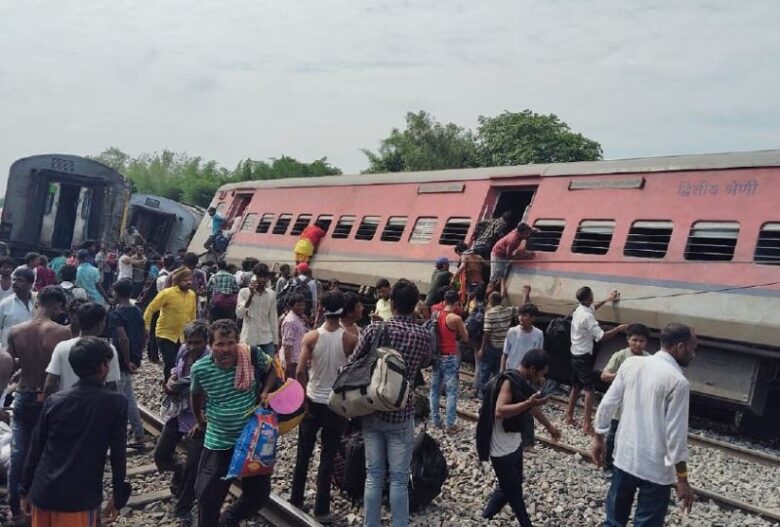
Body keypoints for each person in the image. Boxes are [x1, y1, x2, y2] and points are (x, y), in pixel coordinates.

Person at [593, 323, 697, 526]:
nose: (694, 354)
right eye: (693, 348)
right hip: (656, 469)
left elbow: (607, 403)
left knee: (613, 521)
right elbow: (676, 436)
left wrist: (598, 438)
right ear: (680, 347)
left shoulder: (631, 364)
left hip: (625, 458)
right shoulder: (678, 381)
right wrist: (682, 479)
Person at [20, 337, 130, 527]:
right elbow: (118, 456)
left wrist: (24, 490)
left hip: (43, 492)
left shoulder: (55, 401)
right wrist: (118, 497)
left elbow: (36, 448)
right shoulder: (116, 403)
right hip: (78, 498)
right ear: (103, 366)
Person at [350, 279, 433, 527]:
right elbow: (426, 362)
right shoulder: (423, 335)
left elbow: (354, 361)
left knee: (374, 475)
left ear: (392, 304)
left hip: (373, 409)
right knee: (398, 478)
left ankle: (371, 524)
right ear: (414, 306)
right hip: (402, 411)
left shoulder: (376, 330)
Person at [191, 319, 277, 527]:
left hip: (251, 440)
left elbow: (273, 367)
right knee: (207, 496)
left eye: (231, 343)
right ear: (211, 346)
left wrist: (265, 391)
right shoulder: (200, 369)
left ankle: (228, 520)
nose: (226, 349)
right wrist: (199, 419)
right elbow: (195, 396)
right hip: (220, 440)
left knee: (259, 494)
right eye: (220, 344)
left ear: (237, 342)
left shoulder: (249, 355)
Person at [5, 286, 72, 523]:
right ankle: (41, 505)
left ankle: (15, 509)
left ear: (37, 302)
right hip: (49, 397)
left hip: (24, 394)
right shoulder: (63, 333)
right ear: (56, 305)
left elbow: (12, 361)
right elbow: (61, 368)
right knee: (47, 452)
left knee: (19, 452)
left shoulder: (16, 331)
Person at [291, 291, 358, 524]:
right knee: (328, 456)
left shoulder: (311, 337)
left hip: (312, 402)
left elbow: (299, 371)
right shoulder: (350, 339)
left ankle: (296, 499)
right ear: (342, 310)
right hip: (335, 405)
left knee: (303, 452)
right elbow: (353, 370)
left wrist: (304, 397)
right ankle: (321, 509)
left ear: (322, 307)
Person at [480, 349, 561, 526]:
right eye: (541, 373)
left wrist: (549, 427)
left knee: (508, 485)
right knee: (514, 492)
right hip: (499, 447)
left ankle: (485, 517)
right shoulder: (509, 382)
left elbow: (532, 407)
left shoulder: (521, 381)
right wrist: (527, 403)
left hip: (514, 443)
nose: (542, 378)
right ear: (533, 369)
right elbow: (499, 411)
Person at [154, 320, 210, 527]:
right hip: (179, 413)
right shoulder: (183, 351)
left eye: (198, 342)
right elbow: (176, 371)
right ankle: (178, 471)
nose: (192, 346)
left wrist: (174, 385)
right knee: (160, 455)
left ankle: (184, 507)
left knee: (193, 466)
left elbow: (199, 383)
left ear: (206, 341)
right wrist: (172, 378)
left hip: (199, 417)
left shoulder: (210, 360)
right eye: (189, 342)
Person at [566, 287, 628, 435]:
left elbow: (593, 307)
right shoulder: (587, 317)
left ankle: (568, 417)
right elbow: (601, 336)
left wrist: (608, 299)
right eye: (592, 295)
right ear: (588, 298)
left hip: (574, 352)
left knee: (576, 387)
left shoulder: (579, 309)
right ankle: (587, 425)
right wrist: (619, 329)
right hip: (583, 357)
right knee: (589, 390)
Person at [599, 323, 651, 471]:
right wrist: (621, 375)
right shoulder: (620, 355)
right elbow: (604, 375)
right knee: (612, 437)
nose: (638, 344)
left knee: (634, 438)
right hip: (619, 407)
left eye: (641, 341)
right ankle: (607, 465)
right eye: (635, 340)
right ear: (628, 339)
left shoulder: (649, 359)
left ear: (646, 342)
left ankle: (627, 466)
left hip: (639, 406)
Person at [45, 303, 121, 396]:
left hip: (67, 405)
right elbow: (112, 385)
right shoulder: (107, 349)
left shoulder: (62, 347)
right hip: (97, 407)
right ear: (101, 323)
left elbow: (50, 385)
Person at [106, 279, 147, 447]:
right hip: (133, 355)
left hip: (123, 359)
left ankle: (138, 434)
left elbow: (122, 338)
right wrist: (139, 353)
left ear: (116, 293)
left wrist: (127, 359)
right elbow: (145, 333)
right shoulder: (137, 310)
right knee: (123, 392)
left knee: (126, 396)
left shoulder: (117, 313)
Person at [144, 269, 197, 383]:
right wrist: (146, 326)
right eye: (185, 280)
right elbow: (151, 308)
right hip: (165, 334)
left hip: (182, 335)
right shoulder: (167, 293)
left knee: (181, 361)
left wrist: (193, 331)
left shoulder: (192, 295)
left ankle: (178, 383)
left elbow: (192, 315)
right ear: (178, 281)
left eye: (190, 280)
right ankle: (169, 384)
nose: (188, 282)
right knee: (170, 361)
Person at [429, 289, 469, 432]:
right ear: (457, 302)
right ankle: (450, 424)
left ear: (444, 301)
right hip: (450, 357)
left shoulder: (435, 314)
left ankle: (435, 421)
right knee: (451, 392)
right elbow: (465, 338)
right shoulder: (455, 318)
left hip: (436, 356)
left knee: (434, 390)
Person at [479, 291, 515, 398]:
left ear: (491, 301)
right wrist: (525, 296)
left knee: (485, 369)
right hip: (503, 347)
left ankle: (483, 393)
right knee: (497, 371)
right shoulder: (509, 310)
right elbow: (522, 309)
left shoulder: (489, 313)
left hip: (492, 346)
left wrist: (482, 348)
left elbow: (487, 332)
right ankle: (495, 392)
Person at [236, 263, 278, 352]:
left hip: (266, 339)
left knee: (268, 365)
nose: (262, 279)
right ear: (255, 276)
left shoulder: (271, 295)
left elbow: (273, 319)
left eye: (265, 277)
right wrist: (251, 295)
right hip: (249, 339)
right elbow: (240, 314)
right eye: (259, 276)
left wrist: (276, 341)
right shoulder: (244, 292)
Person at [489, 222, 534, 296]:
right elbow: (508, 257)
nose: (528, 235)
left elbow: (530, 230)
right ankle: (488, 297)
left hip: (504, 254)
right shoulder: (512, 240)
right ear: (520, 233)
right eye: (526, 233)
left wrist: (535, 230)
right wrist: (524, 256)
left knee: (502, 275)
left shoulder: (519, 231)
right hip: (498, 255)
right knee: (495, 279)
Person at [501, 301, 544, 372]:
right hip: (511, 372)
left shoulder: (539, 334)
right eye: (519, 315)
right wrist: (501, 372)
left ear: (532, 318)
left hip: (528, 374)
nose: (520, 318)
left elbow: (539, 358)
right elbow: (505, 354)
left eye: (524, 315)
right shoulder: (512, 332)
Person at [0, 269, 36, 351]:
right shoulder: (5, 304)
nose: (14, 283)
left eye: (20, 280)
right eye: (13, 279)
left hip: (33, 352)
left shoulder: (38, 302)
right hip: (9, 352)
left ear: (30, 284)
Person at [281, 293, 308, 379]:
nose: (302, 307)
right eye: (298, 305)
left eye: (303, 305)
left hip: (298, 358)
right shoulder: (291, 322)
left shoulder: (298, 318)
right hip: (293, 361)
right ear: (292, 306)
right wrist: (289, 365)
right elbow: (287, 345)